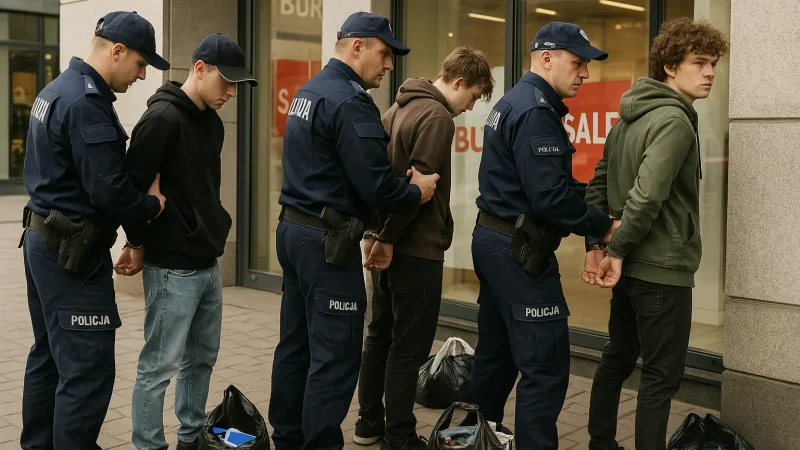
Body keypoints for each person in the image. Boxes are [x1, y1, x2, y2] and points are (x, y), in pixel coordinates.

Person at [267, 11, 439, 450]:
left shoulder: (310, 90)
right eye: (384, 54)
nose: (388, 65)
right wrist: (415, 191)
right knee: (335, 356)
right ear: (356, 46)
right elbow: (377, 184)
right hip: (328, 244)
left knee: (296, 347)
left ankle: (288, 439)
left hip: (295, 230)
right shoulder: (351, 100)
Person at [19, 11, 168, 450]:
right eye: (141, 64)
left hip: (42, 240)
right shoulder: (87, 103)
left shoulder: (56, 88)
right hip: (70, 253)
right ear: (117, 50)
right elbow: (110, 192)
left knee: (49, 358)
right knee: (87, 370)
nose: (142, 76)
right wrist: (151, 205)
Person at [468, 22, 619, 449]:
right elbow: (550, 197)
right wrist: (604, 227)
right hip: (517, 251)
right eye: (578, 63)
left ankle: (476, 438)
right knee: (544, 365)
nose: (585, 74)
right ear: (547, 58)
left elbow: (552, 186)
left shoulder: (518, 101)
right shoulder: (536, 110)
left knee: (496, 358)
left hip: (495, 241)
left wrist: (594, 228)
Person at [584, 18, 728, 450]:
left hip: (631, 269)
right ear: (669, 65)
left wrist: (598, 245)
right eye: (699, 62)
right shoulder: (675, 121)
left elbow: (597, 184)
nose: (709, 72)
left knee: (617, 359)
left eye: (713, 63)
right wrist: (618, 250)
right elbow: (647, 196)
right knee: (661, 378)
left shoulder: (628, 116)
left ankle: (599, 444)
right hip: (662, 271)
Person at [112, 33, 258, 450]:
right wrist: (136, 241)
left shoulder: (211, 122)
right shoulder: (161, 119)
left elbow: (204, 189)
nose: (231, 92)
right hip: (172, 265)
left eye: (238, 85)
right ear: (199, 69)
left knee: (201, 360)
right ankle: (148, 444)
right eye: (226, 82)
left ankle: (191, 437)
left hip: (207, 260)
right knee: (158, 365)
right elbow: (133, 190)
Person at [354, 46, 495, 450]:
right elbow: (419, 192)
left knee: (379, 335)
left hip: (388, 243)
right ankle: (398, 436)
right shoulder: (435, 117)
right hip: (413, 248)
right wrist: (389, 239)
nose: (468, 108)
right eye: (471, 97)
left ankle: (368, 424)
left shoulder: (395, 110)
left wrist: (378, 235)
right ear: (459, 82)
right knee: (409, 346)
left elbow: (379, 181)